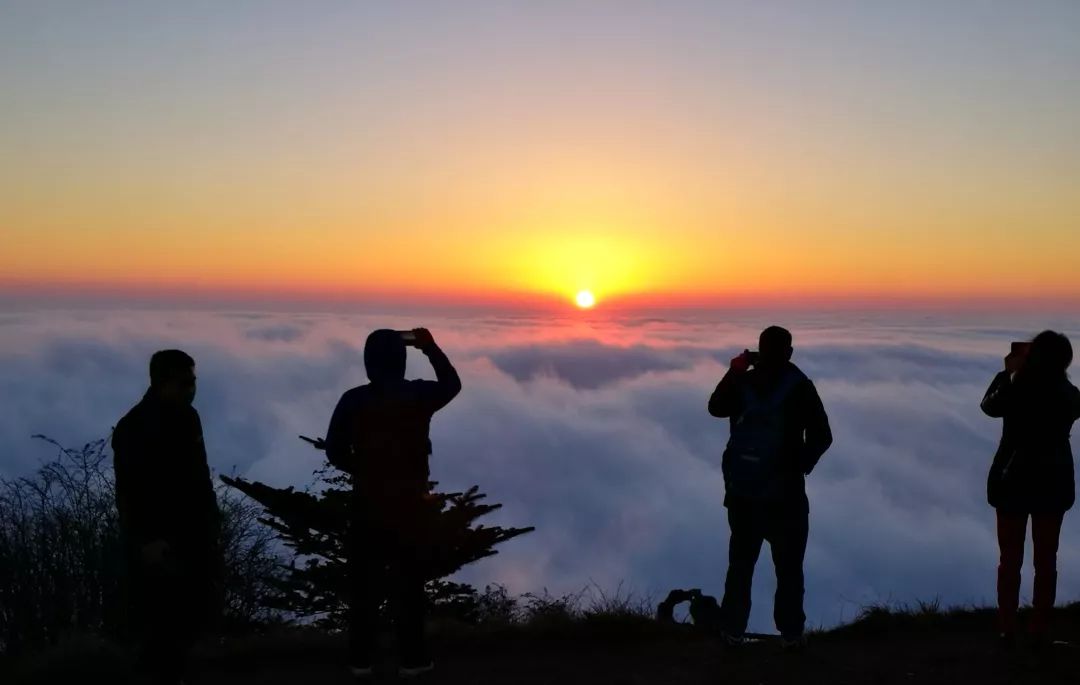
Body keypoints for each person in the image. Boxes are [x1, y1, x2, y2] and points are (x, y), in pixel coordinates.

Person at [325, 328, 461, 679]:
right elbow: (452, 384)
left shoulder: (352, 400)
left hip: (366, 506)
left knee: (364, 590)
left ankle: (360, 661)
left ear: (369, 362)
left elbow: (334, 450)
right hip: (411, 509)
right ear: (401, 360)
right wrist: (430, 347)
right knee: (410, 588)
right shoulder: (418, 394)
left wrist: (363, 468)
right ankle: (413, 660)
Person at [707, 326, 832, 649]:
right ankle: (791, 635)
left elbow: (715, 407)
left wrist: (734, 370)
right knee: (789, 570)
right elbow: (822, 436)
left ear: (759, 350)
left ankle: (732, 631)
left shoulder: (744, 382)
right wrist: (798, 466)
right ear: (789, 352)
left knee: (740, 567)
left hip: (742, 494)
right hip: (786, 497)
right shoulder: (800, 387)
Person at [112, 349, 222, 684]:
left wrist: (211, 518)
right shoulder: (134, 427)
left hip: (193, 532)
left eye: (193, 382)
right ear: (162, 382)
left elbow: (199, 474)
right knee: (160, 623)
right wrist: (146, 540)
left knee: (188, 617)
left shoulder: (189, 417)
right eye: (184, 382)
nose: (192, 389)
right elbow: (129, 492)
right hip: (158, 540)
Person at [981, 330, 1080, 648]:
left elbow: (988, 406)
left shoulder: (1016, 390)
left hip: (1013, 481)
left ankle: (1007, 627)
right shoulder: (1069, 393)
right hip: (1053, 482)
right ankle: (1039, 628)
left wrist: (1008, 372)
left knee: (1009, 558)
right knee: (1046, 560)